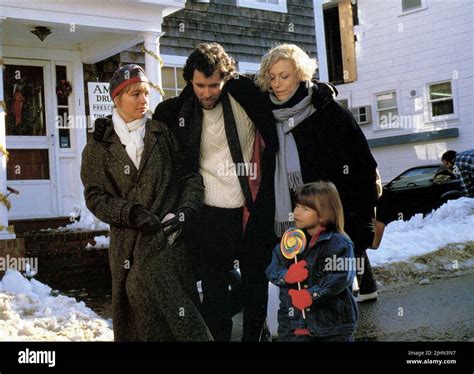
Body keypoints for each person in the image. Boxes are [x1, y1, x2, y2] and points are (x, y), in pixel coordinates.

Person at [93, 43, 336, 341]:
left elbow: (286, 94)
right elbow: (142, 128)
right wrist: (110, 124)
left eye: (213, 85)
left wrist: (319, 90)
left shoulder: (247, 97)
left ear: (226, 79)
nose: (207, 93)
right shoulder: (175, 111)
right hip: (208, 214)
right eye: (200, 85)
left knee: (255, 286)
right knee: (214, 290)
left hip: (251, 209)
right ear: (190, 82)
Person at [81, 64, 213, 341]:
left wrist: (185, 212)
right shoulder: (99, 145)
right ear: (117, 99)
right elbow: (95, 196)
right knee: (137, 319)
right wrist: (130, 213)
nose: (143, 100)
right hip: (127, 247)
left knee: (182, 320)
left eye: (145, 93)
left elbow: (190, 177)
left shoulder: (162, 134)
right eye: (134, 94)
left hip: (166, 241)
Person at [253, 44, 379, 303]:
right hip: (288, 212)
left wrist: (364, 217)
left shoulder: (327, 110)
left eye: (284, 76)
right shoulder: (264, 112)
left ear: (301, 75)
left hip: (331, 209)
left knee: (333, 290)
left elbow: (362, 162)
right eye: (272, 77)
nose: (277, 84)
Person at [266, 181, 358, 341]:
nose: (296, 212)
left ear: (324, 214)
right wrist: (287, 276)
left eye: (305, 208)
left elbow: (341, 278)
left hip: (331, 329)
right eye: (296, 206)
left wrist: (312, 294)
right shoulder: (291, 241)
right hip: (293, 327)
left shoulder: (339, 244)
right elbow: (272, 269)